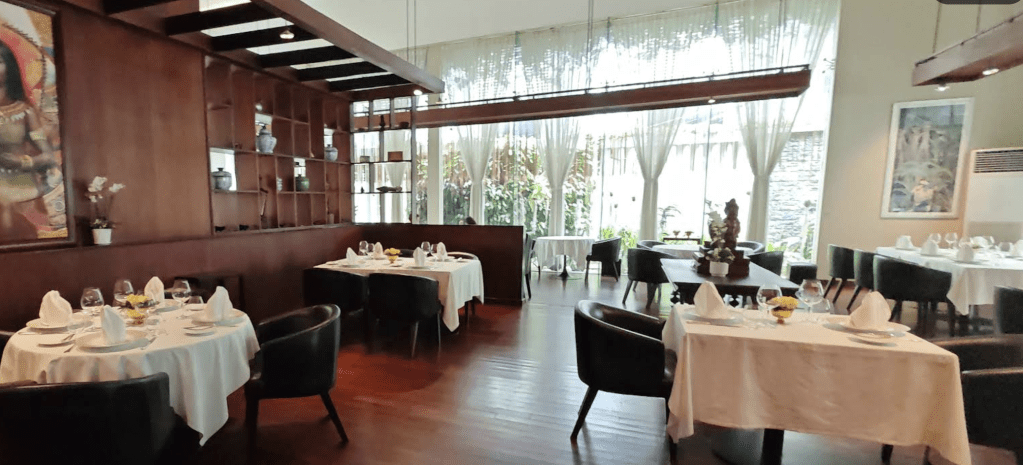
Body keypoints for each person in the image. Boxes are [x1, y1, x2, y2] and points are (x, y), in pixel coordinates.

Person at [0, 38, 62, 243]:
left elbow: (47, 155)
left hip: (17, 184)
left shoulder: (25, 112)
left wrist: (23, 162)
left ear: (8, 67)